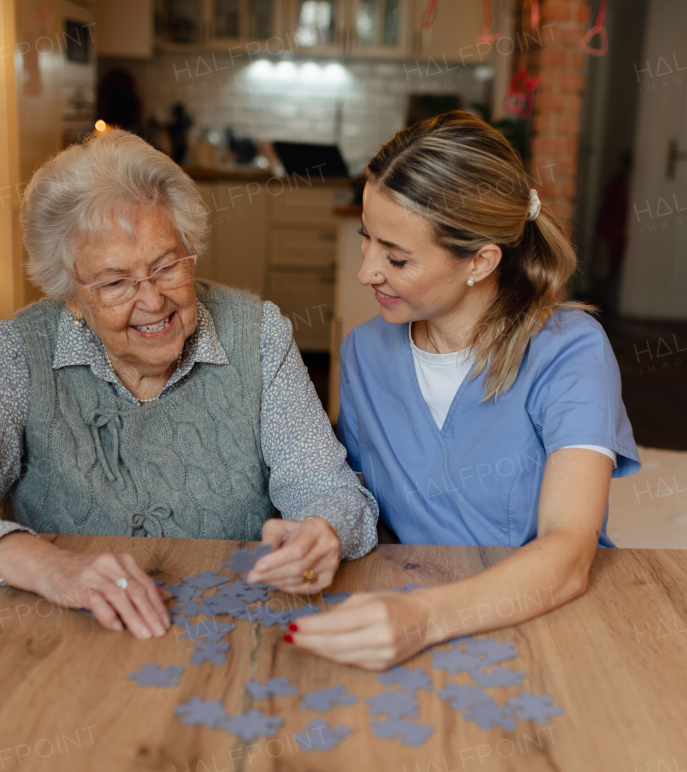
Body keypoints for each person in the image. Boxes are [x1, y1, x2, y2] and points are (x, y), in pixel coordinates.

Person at [0, 130, 378, 640]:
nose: (153, 301)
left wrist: (322, 531)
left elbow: (330, 489)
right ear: (70, 296)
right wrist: (52, 568)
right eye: (115, 283)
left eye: (166, 266)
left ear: (190, 250)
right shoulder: (23, 351)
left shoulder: (259, 335)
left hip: (225, 632)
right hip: (63, 634)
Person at [272, 112, 639, 670]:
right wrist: (321, 534)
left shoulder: (571, 352)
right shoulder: (365, 353)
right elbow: (359, 500)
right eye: (366, 240)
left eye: (396, 257)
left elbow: (569, 552)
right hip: (398, 617)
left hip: (536, 621)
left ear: (481, 261)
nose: (366, 271)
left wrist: (424, 618)